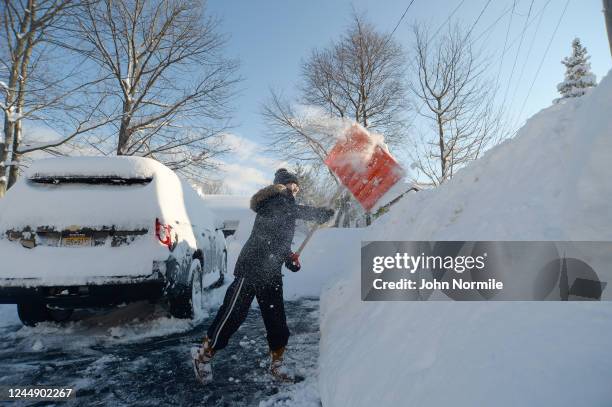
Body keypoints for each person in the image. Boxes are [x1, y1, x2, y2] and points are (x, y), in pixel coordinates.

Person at [193, 168, 335, 383]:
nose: (295, 190)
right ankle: (204, 355)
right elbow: (286, 210)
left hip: (270, 271)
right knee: (233, 315)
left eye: (297, 187)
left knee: (276, 320)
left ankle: (277, 361)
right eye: (292, 186)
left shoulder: (286, 207)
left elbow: (277, 240)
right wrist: (317, 213)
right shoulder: (274, 201)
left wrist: (288, 258)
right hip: (251, 268)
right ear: (281, 185)